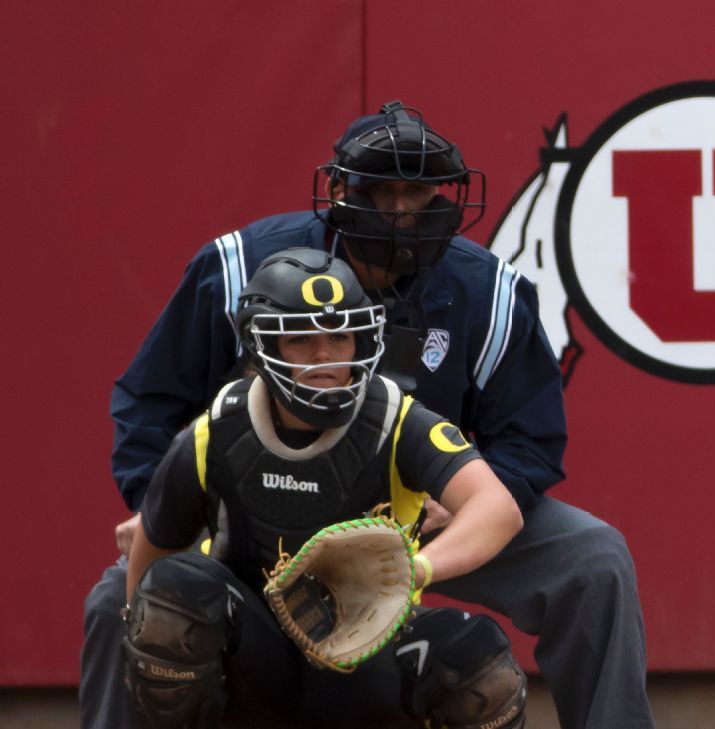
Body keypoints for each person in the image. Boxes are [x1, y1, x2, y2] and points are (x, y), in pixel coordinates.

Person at [84, 101, 654, 729]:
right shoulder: (238, 268)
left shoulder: (489, 291)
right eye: (384, 193)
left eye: (417, 191)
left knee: (594, 559)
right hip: (252, 504)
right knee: (126, 598)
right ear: (339, 192)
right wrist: (155, 504)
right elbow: (152, 398)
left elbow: (531, 436)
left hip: (416, 510)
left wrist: (470, 496)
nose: (403, 211)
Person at [122, 248, 526, 728]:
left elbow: (498, 508)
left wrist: (414, 570)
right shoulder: (218, 430)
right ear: (261, 347)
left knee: (478, 666)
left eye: (341, 336)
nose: (326, 356)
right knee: (171, 601)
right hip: (255, 660)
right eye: (300, 339)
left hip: (366, 658)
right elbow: (154, 549)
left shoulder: (397, 421)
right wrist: (144, 632)